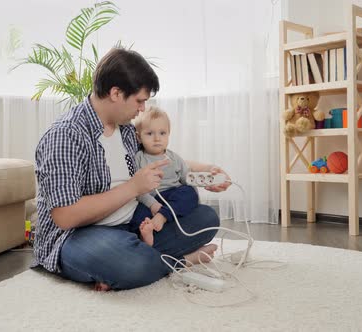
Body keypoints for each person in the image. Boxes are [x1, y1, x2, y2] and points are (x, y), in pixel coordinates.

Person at [33, 47, 230, 291]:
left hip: (135, 224)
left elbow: (159, 158)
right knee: (131, 263)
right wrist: (132, 188)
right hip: (79, 234)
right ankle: (181, 260)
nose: (142, 109)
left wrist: (206, 172)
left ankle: (133, 259)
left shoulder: (126, 129)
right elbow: (65, 216)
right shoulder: (66, 135)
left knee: (207, 219)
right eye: (139, 100)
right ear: (116, 93)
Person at [133, 106, 200, 247]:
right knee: (136, 216)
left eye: (162, 133)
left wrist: (202, 179)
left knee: (190, 192)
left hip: (172, 197)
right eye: (150, 133)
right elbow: (137, 189)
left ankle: (162, 217)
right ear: (139, 137)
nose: (157, 138)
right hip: (150, 199)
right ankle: (146, 236)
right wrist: (153, 205)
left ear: (168, 134)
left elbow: (186, 177)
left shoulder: (174, 158)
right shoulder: (138, 158)